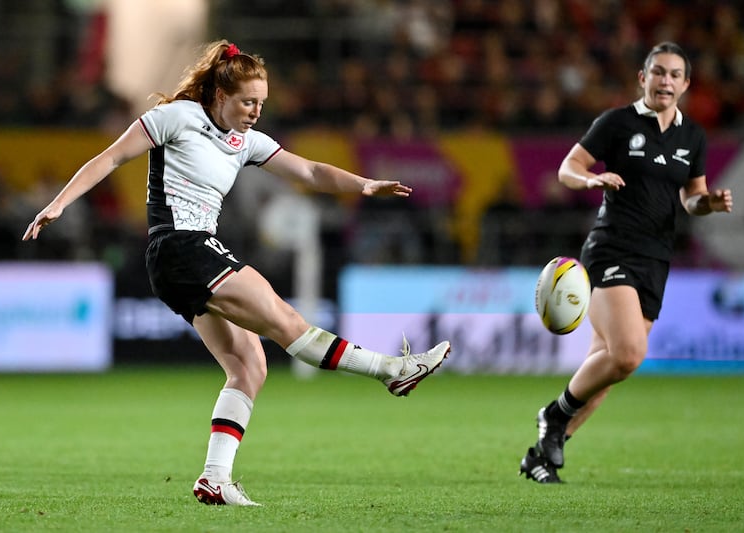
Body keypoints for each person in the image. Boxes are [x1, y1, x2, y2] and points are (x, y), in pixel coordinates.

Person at [23, 40, 451, 506]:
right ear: (220, 95)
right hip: (180, 246)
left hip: (186, 257)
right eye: (248, 101)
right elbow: (110, 157)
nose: (255, 111)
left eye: (261, 103)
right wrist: (59, 204)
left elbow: (307, 171)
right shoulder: (177, 117)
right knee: (286, 322)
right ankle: (391, 370)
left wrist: (362, 183)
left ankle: (214, 478)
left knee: (249, 365)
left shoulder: (245, 141)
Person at [518, 42, 733, 484]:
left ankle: (541, 456)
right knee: (630, 352)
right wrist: (591, 178)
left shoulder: (692, 137)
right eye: (658, 72)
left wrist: (707, 202)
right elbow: (567, 168)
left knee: (607, 370)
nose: (666, 81)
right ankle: (553, 416)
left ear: (686, 84)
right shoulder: (617, 123)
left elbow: (691, 198)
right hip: (611, 250)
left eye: (675, 75)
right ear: (643, 78)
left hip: (657, 259)